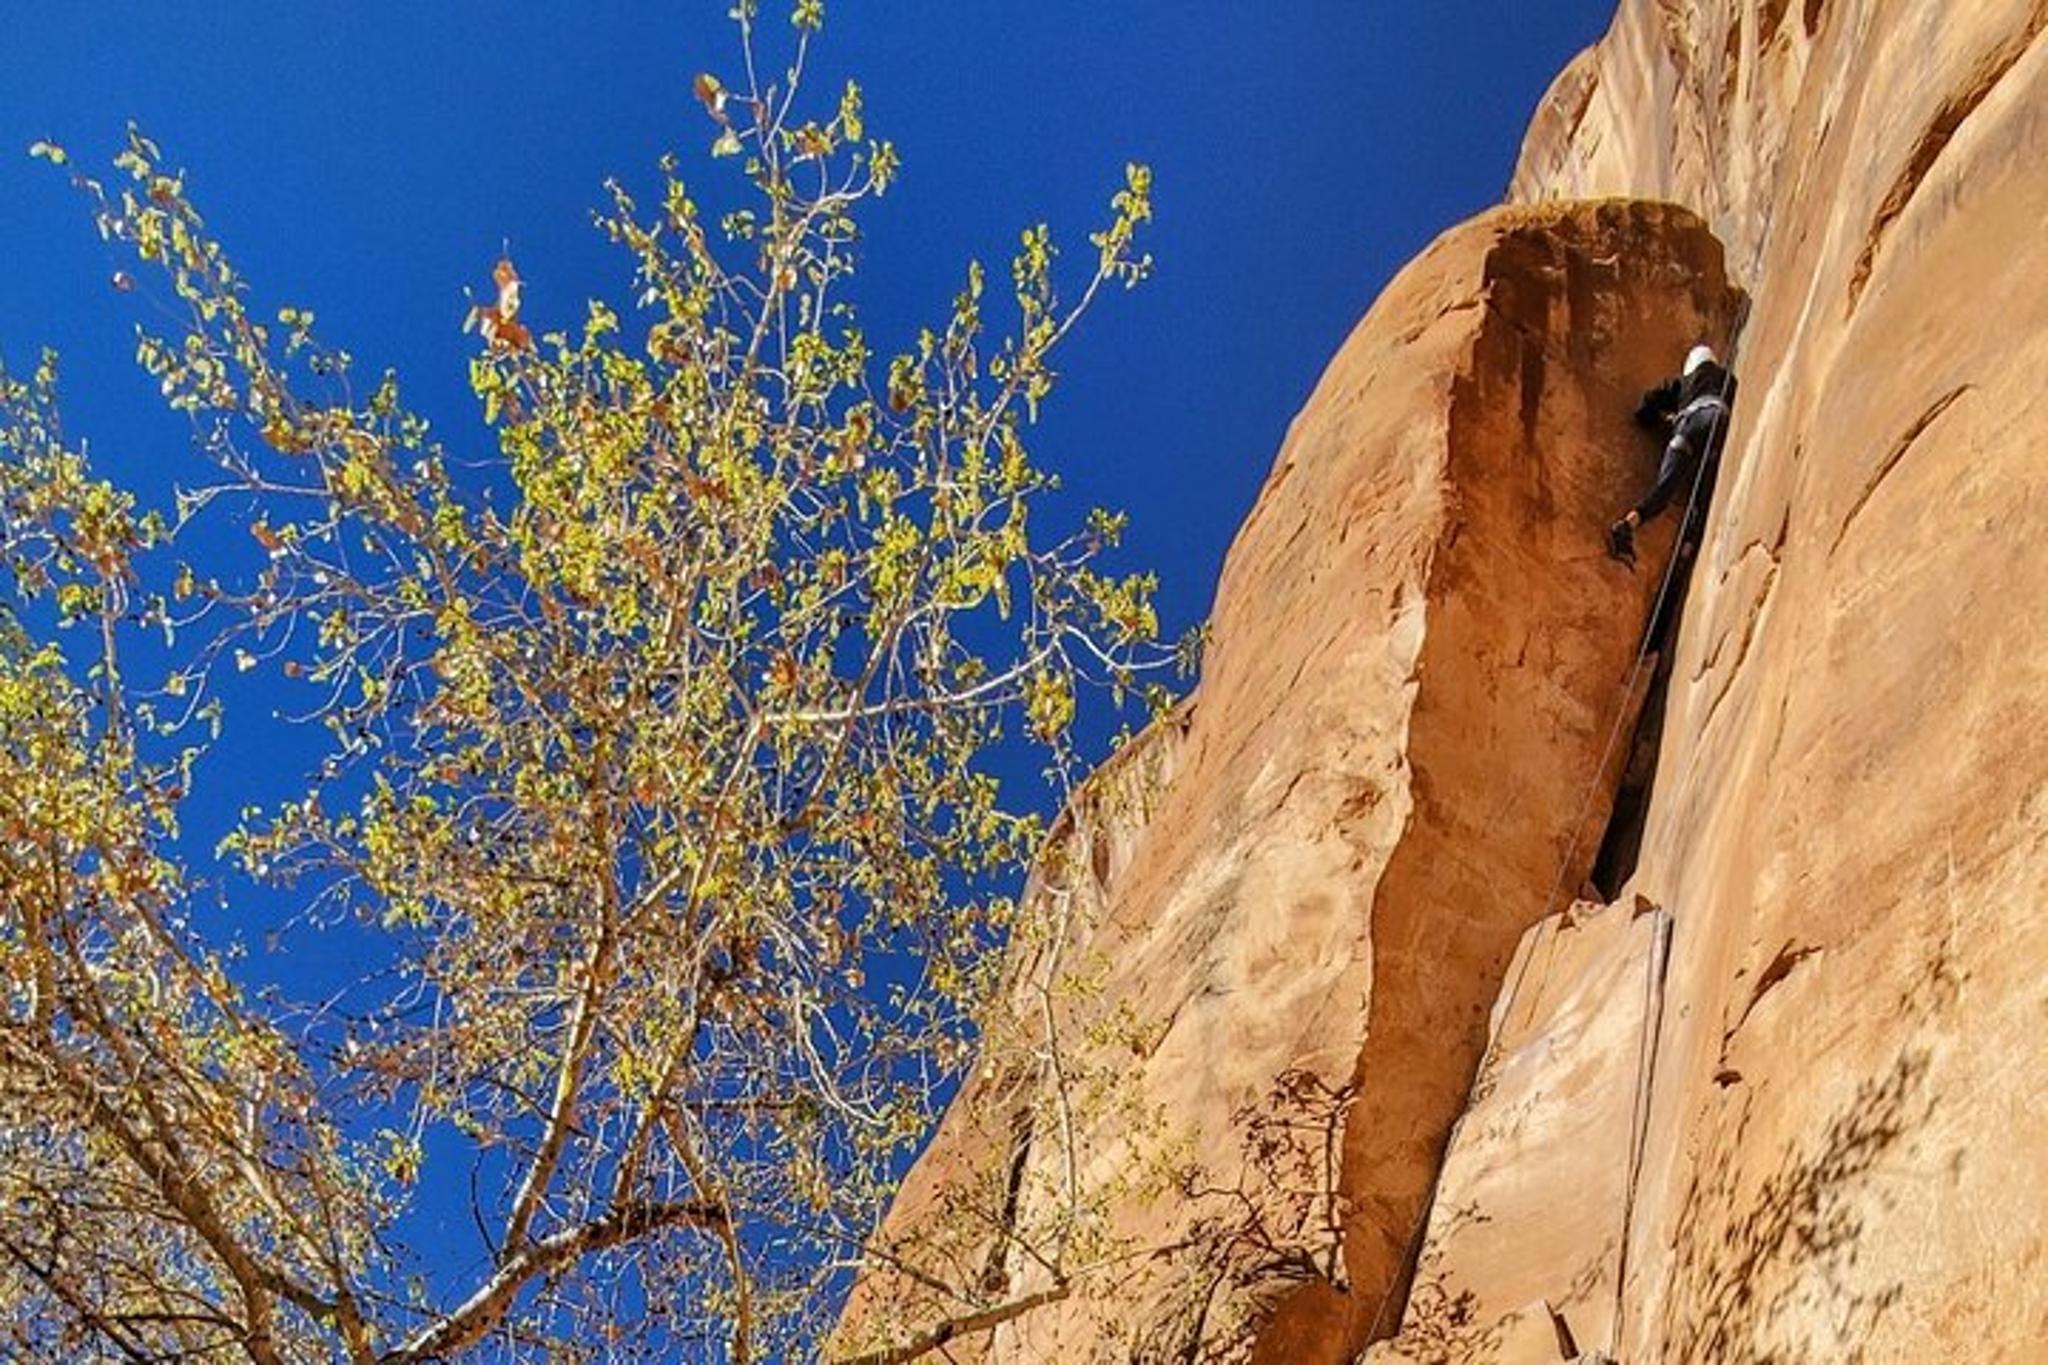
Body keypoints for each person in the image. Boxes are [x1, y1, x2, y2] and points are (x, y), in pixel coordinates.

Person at [1607, 344, 1738, 565]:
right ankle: (1687, 551)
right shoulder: (1728, 379)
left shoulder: (1680, 384)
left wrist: (1664, 419)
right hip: (1718, 421)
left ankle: (1627, 525)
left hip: (1688, 424)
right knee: (1703, 494)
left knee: (1664, 488)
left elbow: (1645, 406)